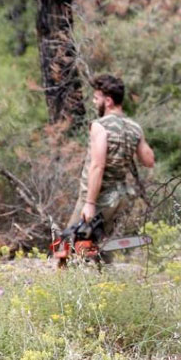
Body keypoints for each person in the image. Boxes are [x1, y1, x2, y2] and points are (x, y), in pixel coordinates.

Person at [66, 74, 155, 239]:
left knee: (68, 245)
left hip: (97, 197)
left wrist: (90, 204)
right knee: (100, 248)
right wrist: (138, 137)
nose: (94, 102)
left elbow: (97, 166)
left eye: (96, 98)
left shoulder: (100, 126)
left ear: (108, 101)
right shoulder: (135, 128)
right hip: (119, 198)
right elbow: (149, 161)